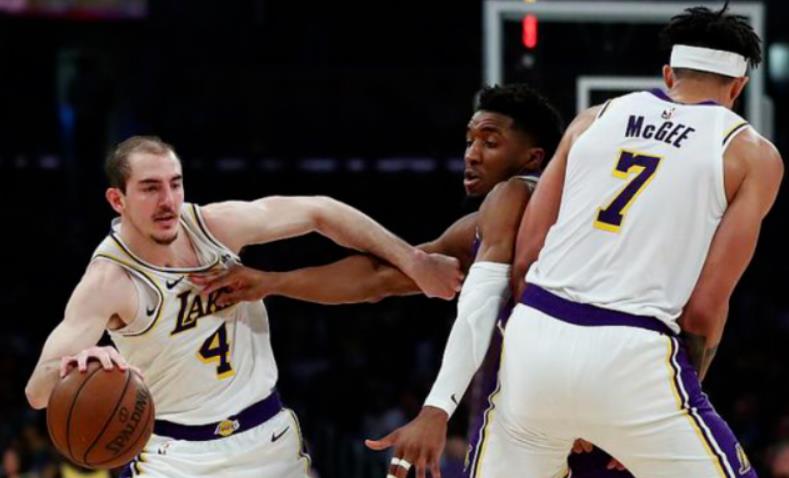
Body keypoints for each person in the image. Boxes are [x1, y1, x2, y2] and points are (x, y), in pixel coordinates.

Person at [193, 85, 629, 476]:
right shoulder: (482, 227)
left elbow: (479, 305)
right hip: (599, 406)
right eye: (470, 141)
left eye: (490, 142)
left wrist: (436, 410)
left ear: (533, 157)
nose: (472, 154)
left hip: (567, 408)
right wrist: (271, 282)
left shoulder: (517, 193)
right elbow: (377, 278)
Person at [459, 4, 781, 477]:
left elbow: (525, 259)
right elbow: (704, 309)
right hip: (632, 353)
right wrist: (648, 403)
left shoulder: (591, 120)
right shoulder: (750, 153)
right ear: (738, 86)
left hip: (535, 335)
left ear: (669, 74)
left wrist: (566, 396)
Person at [23, 136, 463, 478]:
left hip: (265, 439)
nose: (168, 201)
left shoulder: (213, 226)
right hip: (175, 458)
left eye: (175, 183)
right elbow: (38, 391)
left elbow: (321, 211)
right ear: (117, 200)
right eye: (150, 188)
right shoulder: (109, 280)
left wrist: (414, 260)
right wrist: (80, 362)